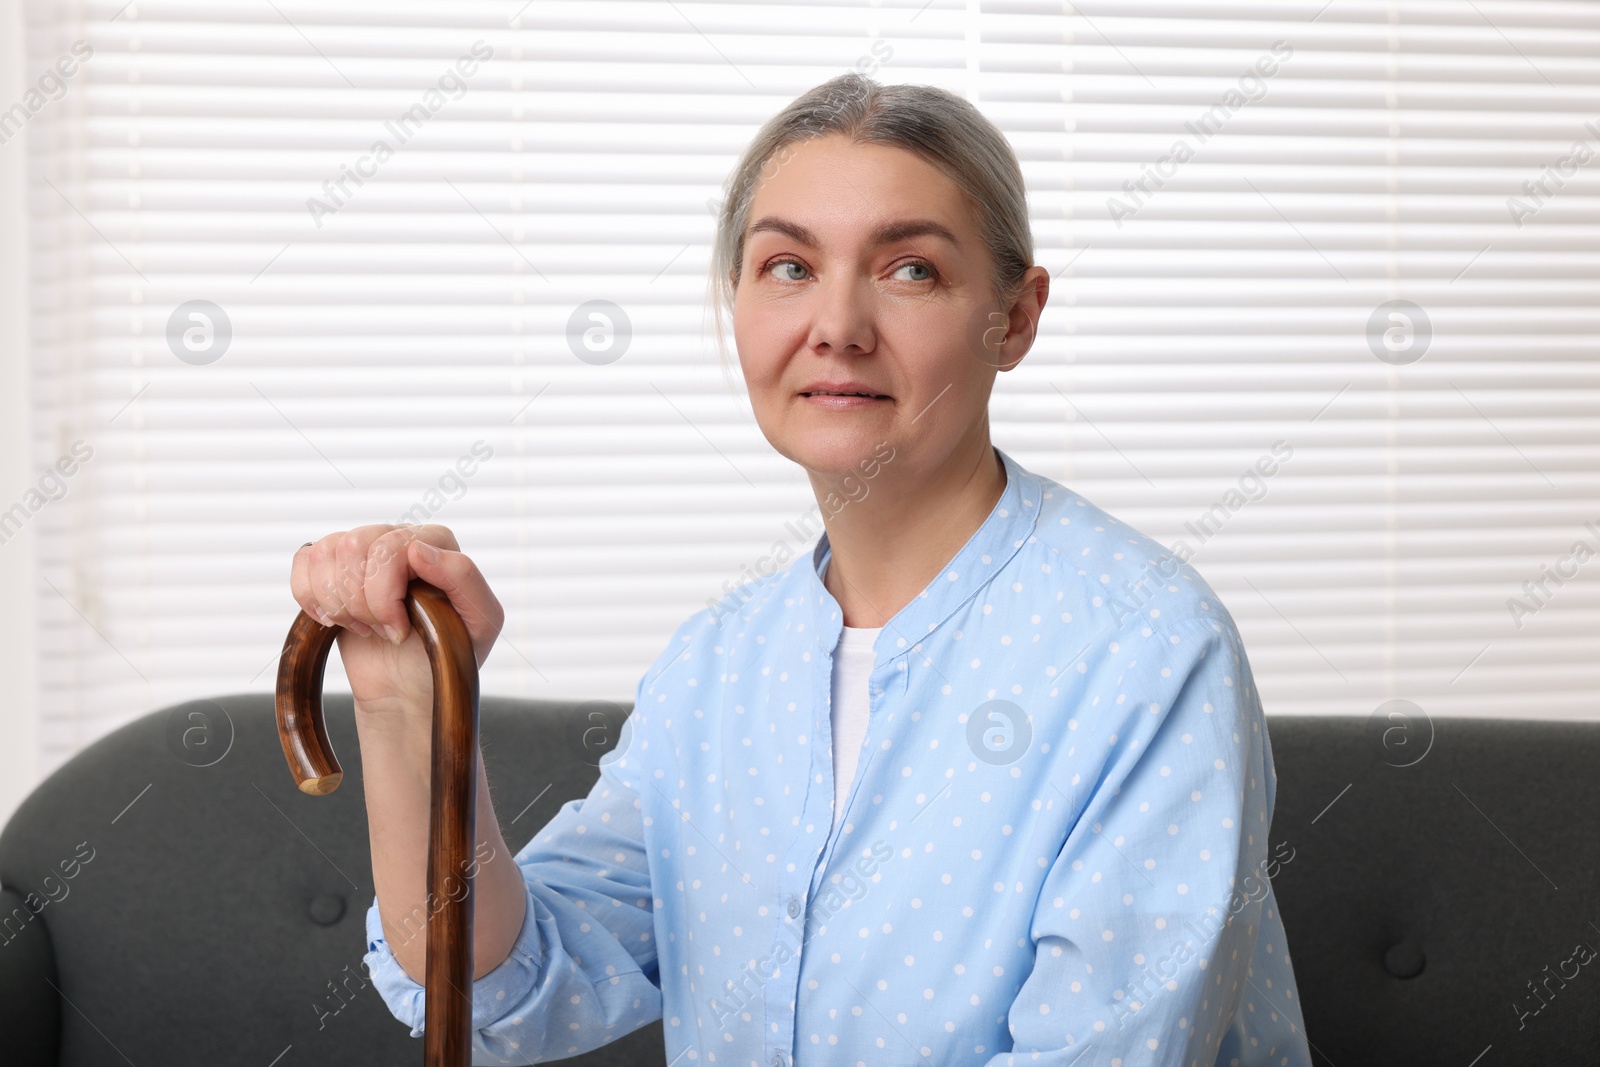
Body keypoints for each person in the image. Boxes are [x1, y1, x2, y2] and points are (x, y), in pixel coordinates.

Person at [290, 72, 1312, 1066]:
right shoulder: (717, 665)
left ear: (1015, 316)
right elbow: (507, 986)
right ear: (736, 299)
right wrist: (408, 712)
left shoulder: (1146, 645)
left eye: (909, 268)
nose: (836, 326)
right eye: (788, 266)